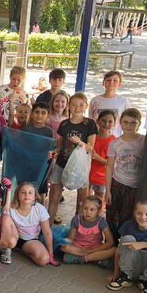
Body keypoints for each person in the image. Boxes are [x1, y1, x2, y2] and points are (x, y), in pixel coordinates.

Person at [48, 92, 97, 226]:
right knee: (54, 197)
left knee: (81, 200)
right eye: (74, 105)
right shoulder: (64, 123)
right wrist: (54, 151)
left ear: (86, 106)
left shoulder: (90, 124)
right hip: (62, 164)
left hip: (80, 167)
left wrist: (81, 143)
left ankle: (77, 229)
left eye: (81, 105)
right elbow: (59, 144)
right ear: (69, 106)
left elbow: (90, 148)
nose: (77, 108)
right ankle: (47, 227)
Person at [107, 199, 147, 293]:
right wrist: (116, 273)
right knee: (128, 239)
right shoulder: (128, 225)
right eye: (139, 213)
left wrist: (142, 244)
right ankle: (125, 277)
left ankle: (145, 281)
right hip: (131, 265)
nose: (143, 217)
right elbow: (119, 250)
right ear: (135, 214)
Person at [104, 108, 145, 240]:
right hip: (117, 183)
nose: (128, 126)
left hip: (134, 186)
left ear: (139, 124)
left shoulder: (144, 141)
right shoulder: (115, 143)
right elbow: (109, 166)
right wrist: (108, 190)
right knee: (111, 214)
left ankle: (121, 245)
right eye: (125, 122)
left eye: (133, 123)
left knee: (126, 216)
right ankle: (110, 242)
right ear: (120, 123)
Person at [1, 182, 58, 267]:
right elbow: (1, 220)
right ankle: (8, 249)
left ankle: (23, 249)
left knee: (43, 260)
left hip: (30, 240)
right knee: (5, 217)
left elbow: (47, 232)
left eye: (30, 193)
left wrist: (51, 254)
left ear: (35, 197)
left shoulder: (40, 209)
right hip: (13, 236)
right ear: (18, 196)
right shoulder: (11, 207)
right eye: (23, 192)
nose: (26, 195)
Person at [60, 195, 114, 266]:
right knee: (63, 247)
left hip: (95, 247)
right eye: (85, 208)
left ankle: (82, 258)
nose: (88, 212)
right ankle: (94, 258)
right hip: (78, 246)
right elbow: (71, 239)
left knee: (114, 250)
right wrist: (62, 242)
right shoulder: (76, 219)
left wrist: (92, 250)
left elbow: (110, 242)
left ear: (98, 211)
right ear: (82, 208)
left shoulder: (101, 221)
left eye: (92, 210)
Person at [24, 102, 55, 202]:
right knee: (27, 188)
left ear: (48, 115)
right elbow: (22, 146)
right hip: (28, 165)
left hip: (42, 166)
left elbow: (50, 149)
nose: (39, 115)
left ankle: (41, 213)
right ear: (32, 113)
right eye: (37, 112)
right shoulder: (27, 128)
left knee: (41, 190)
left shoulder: (49, 131)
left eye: (43, 113)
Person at [89, 71, 129, 137]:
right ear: (103, 83)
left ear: (119, 84)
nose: (111, 82)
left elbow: (126, 122)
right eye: (108, 80)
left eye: (115, 80)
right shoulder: (95, 100)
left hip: (115, 138)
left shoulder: (124, 102)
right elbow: (91, 121)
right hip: (97, 138)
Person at [89, 110, 117, 204]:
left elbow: (112, 163)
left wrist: (97, 157)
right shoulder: (91, 137)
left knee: (99, 204)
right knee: (84, 202)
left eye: (110, 122)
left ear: (114, 124)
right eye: (103, 120)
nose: (106, 124)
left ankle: (98, 219)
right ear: (97, 121)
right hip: (87, 175)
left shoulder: (114, 141)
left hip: (102, 178)